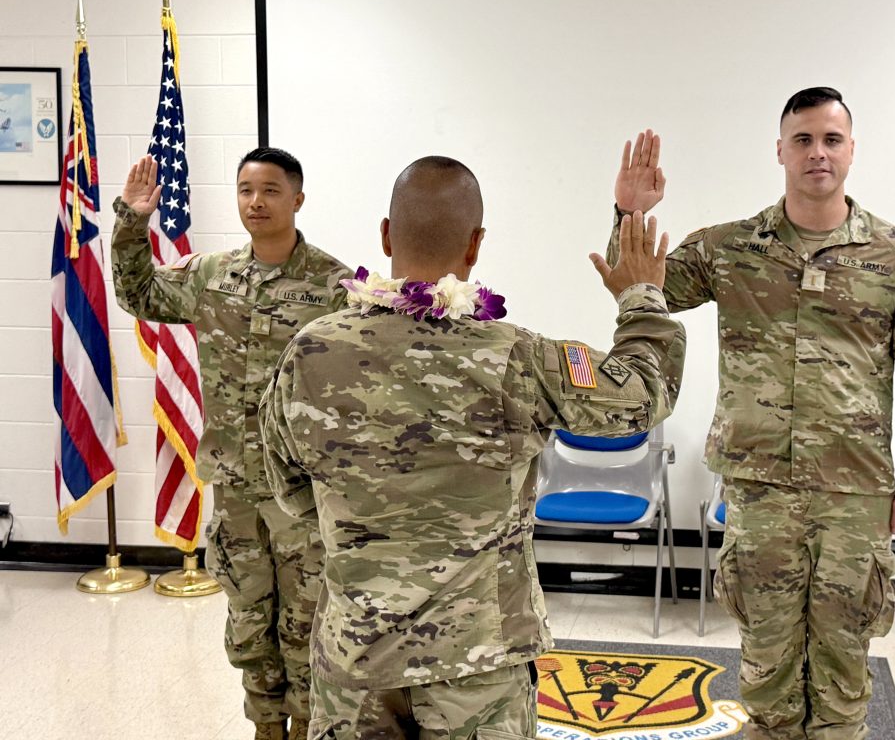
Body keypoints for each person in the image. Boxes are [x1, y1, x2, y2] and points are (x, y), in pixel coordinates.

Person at [259, 155, 686, 740]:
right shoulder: (518, 358)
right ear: (476, 245)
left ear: (385, 234)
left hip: (355, 659)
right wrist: (640, 297)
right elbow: (642, 395)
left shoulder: (310, 352)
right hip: (477, 665)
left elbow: (288, 486)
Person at [609, 89, 895, 739]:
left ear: (851, 150)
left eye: (830, 139)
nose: (817, 153)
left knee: (842, 658)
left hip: (854, 492)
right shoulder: (730, 249)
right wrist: (629, 215)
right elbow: (643, 286)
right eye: (802, 140)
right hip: (760, 487)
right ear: (780, 151)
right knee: (766, 658)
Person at [112, 148, 353, 740]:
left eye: (270, 190)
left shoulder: (336, 285)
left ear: (298, 198)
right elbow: (137, 294)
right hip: (235, 483)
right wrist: (131, 222)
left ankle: (304, 724)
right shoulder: (209, 275)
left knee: (305, 617)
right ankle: (265, 724)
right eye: (245, 189)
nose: (256, 202)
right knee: (247, 614)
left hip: (301, 489)